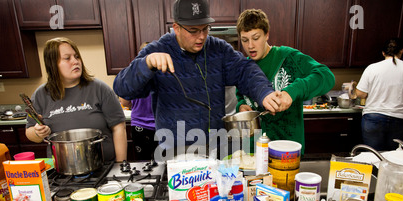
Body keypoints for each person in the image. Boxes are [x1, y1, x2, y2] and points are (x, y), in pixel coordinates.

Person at [113, 0, 283, 157]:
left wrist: (265, 93)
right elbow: (122, 88)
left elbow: (246, 71)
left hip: (217, 149)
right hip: (176, 152)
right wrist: (146, 64)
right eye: (193, 31)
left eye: (205, 29)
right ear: (177, 28)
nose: (201, 36)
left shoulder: (219, 49)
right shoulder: (156, 50)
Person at [235, 9, 335, 155]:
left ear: (267, 34)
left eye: (256, 38)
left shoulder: (288, 58)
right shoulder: (243, 68)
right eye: (245, 40)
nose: (250, 46)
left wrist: (292, 91)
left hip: (286, 151)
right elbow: (240, 97)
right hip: (253, 152)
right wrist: (242, 106)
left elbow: (326, 76)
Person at [26, 37, 127, 163]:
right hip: (62, 170)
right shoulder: (41, 95)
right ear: (52, 64)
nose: (75, 61)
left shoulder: (99, 89)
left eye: (77, 56)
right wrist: (37, 133)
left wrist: (120, 165)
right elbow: (30, 132)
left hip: (104, 166)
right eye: (67, 58)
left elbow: (119, 128)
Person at [355, 38, 403, 151]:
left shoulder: (372, 68)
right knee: (393, 156)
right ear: (402, 51)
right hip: (400, 118)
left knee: (372, 154)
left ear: (383, 52)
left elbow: (361, 94)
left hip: (374, 117)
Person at [119, 42, 158, 161]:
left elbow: (124, 102)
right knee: (163, 165)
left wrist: (136, 104)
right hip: (161, 127)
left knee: (143, 164)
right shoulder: (163, 75)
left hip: (139, 127)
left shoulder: (132, 75)